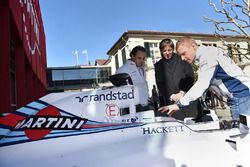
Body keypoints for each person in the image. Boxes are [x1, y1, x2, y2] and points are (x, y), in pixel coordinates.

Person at [159, 37, 250, 123]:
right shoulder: (208, 53)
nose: (182, 58)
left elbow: (202, 84)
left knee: (244, 134)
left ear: (193, 47)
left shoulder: (208, 57)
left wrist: (179, 104)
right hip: (240, 95)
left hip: (241, 95)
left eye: (183, 53)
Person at [154, 38, 202, 120]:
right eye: (164, 51)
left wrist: (182, 92)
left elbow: (190, 76)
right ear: (161, 51)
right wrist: (172, 96)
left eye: (169, 50)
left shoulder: (182, 58)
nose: (167, 53)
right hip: (172, 102)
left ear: (173, 49)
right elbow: (160, 84)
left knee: (194, 121)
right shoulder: (158, 65)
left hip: (188, 97)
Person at [116, 45, 149, 111]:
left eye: (143, 58)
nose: (142, 61)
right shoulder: (123, 70)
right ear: (132, 56)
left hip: (145, 105)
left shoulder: (142, 68)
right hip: (133, 107)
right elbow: (119, 90)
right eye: (139, 58)